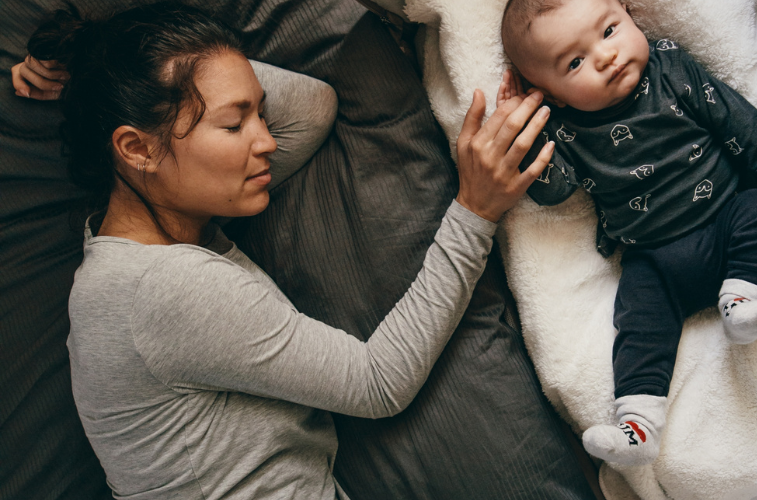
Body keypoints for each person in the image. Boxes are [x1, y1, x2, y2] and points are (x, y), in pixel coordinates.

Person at [14, 2, 554, 499]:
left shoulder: (139, 246)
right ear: (136, 148)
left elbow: (312, 109)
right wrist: (475, 209)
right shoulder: (164, 288)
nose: (267, 140)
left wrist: (96, 72)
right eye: (234, 124)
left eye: (259, 114)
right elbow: (377, 382)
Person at [499, 0, 757, 466]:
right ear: (552, 96)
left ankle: (745, 294)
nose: (606, 56)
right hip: (654, 261)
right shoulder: (564, 130)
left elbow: (731, 114)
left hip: (725, 219)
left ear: (628, 13)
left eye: (609, 30)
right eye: (575, 62)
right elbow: (552, 190)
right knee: (637, 321)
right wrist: (522, 133)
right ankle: (638, 423)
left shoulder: (668, 68)